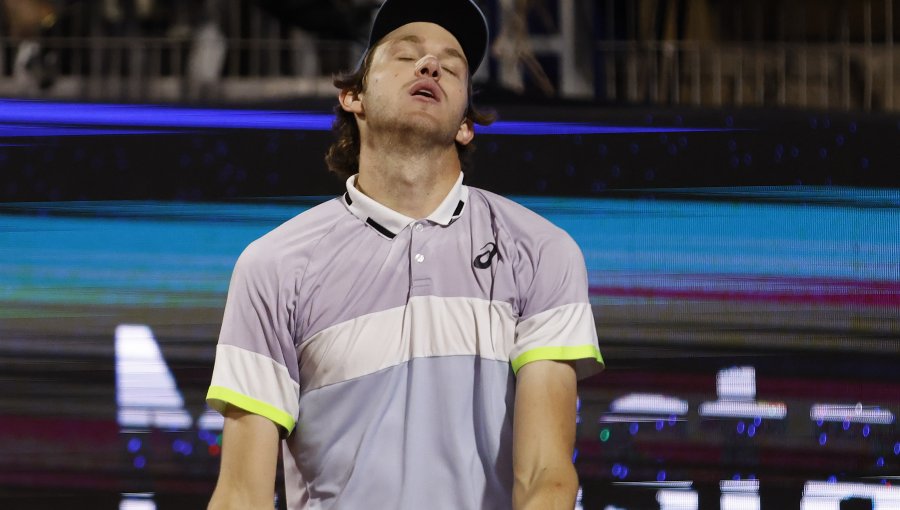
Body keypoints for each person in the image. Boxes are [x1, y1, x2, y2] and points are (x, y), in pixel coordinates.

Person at [205, 1, 604, 508]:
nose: (430, 65)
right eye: (405, 55)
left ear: (465, 124)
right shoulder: (273, 266)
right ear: (354, 97)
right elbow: (242, 494)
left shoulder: (543, 251)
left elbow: (547, 474)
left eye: (451, 64)